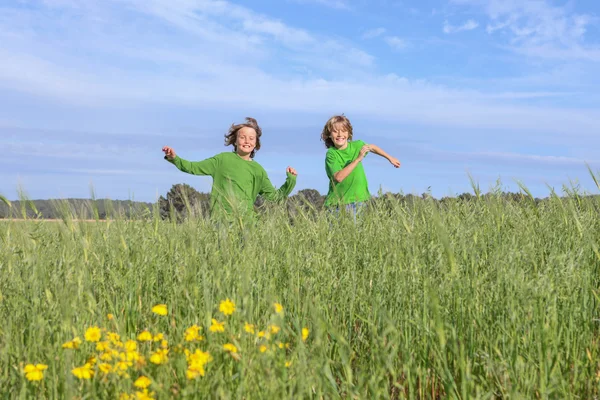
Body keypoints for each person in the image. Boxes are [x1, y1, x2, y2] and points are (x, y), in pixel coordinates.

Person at [162, 117, 297, 219]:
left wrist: (290, 181)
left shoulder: (258, 170)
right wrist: (174, 158)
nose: (247, 141)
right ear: (235, 140)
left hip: (247, 225)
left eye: (251, 138)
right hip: (221, 222)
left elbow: (274, 198)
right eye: (242, 137)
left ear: (256, 143)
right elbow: (193, 167)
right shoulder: (222, 160)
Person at [321, 115, 400, 218]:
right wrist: (358, 159)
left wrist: (389, 158)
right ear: (329, 135)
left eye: (344, 131)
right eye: (335, 131)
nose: (340, 134)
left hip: (360, 201)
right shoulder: (331, 154)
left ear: (349, 133)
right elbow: (338, 177)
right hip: (338, 204)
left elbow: (372, 147)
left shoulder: (357, 145)